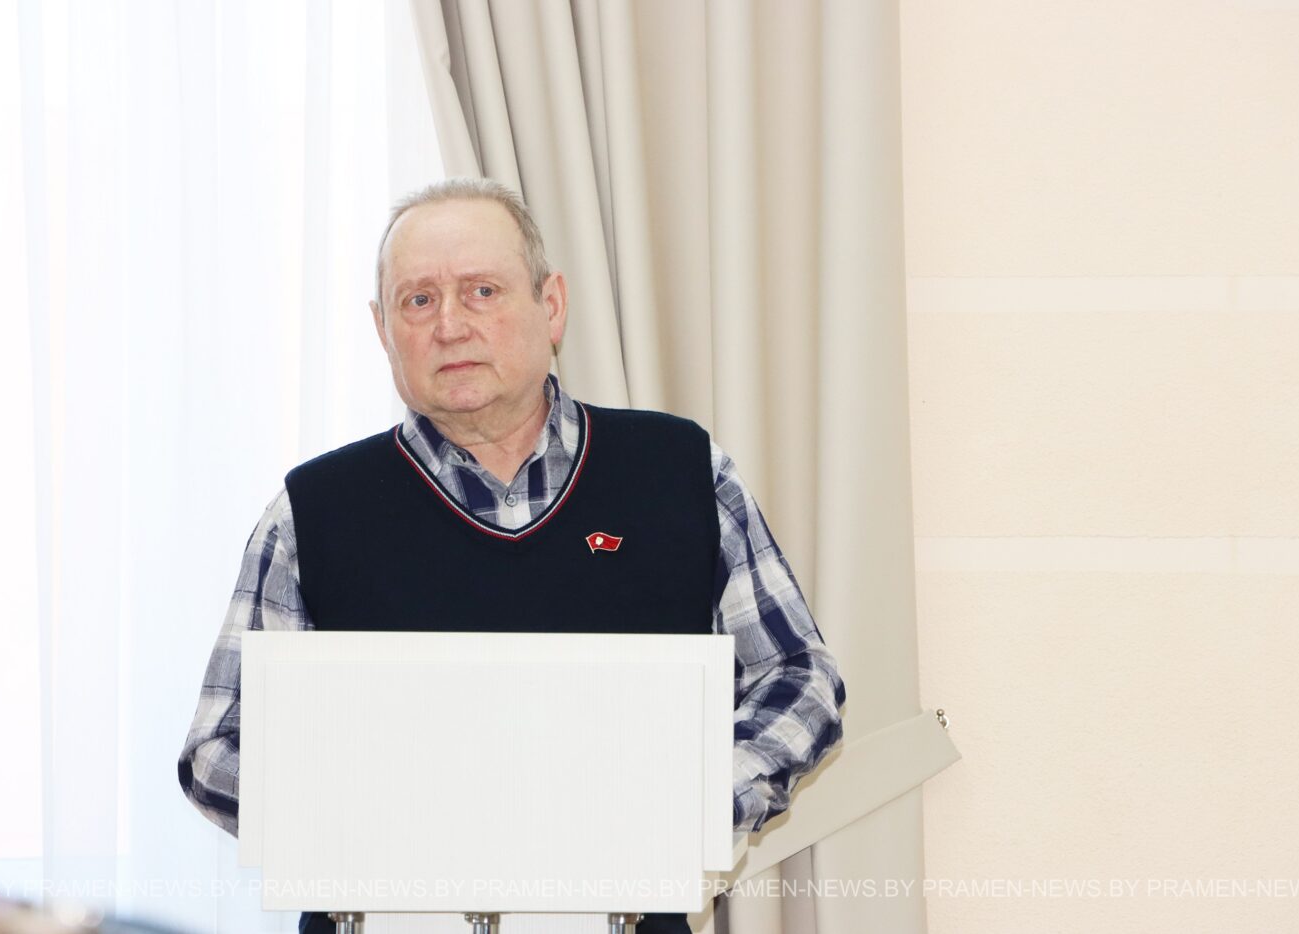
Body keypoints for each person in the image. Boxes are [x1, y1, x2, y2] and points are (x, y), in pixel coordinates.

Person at [177, 178, 846, 934]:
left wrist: (687, 806)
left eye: (482, 291)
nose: (450, 325)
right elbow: (217, 749)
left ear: (550, 305)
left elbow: (800, 676)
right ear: (382, 329)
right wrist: (387, 825)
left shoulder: (682, 472)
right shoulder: (310, 513)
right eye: (418, 300)